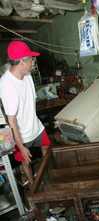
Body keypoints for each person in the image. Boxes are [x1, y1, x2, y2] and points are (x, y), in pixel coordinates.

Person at [0, 40, 51, 185]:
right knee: (25, 161)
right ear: (22, 61)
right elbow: (12, 121)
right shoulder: (7, 85)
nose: (34, 62)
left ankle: (44, 175)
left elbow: (31, 101)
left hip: (35, 125)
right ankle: (32, 185)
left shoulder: (27, 75)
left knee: (47, 148)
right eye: (31, 59)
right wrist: (20, 146)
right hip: (20, 133)